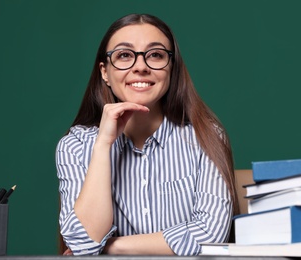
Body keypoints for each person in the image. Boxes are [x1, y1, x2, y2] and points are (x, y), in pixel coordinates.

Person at [56, 13, 238, 256]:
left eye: (155, 55)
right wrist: (103, 145)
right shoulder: (75, 146)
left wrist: (111, 247)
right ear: (105, 72)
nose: (140, 66)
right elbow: (83, 242)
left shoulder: (205, 137)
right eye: (124, 55)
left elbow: (209, 237)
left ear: (171, 69)